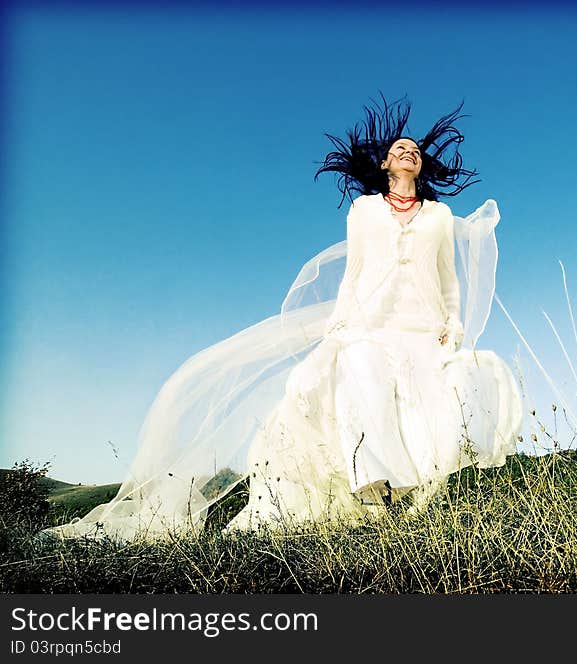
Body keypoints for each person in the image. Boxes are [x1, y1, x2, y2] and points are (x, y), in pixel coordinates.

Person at [40, 94, 523, 542]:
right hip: (366, 325)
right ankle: (377, 487)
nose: (409, 152)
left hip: (421, 326)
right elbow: (355, 273)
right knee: (358, 383)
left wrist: (453, 322)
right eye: (400, 149)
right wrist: (340, 323)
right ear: (384, 164)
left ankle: (409, 492)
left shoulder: (438, 216)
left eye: (415, 150)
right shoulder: (363, 210)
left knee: (423, 405)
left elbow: (449, 279)